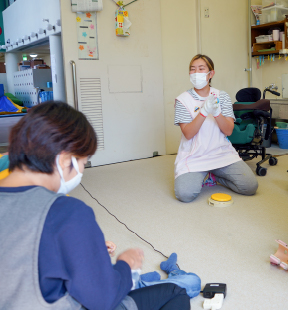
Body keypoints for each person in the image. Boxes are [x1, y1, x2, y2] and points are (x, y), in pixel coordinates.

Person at [0, 101, 190, 310]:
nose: (82, 170)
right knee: (176, 291)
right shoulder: (67, 212)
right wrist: (126, 265)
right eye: (83, 162)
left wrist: (88, 247)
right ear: (65, 160)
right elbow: (102, 299)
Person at [174, 54, 258, 202]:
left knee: (250, 186)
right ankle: (204, 175)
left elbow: (228, 131)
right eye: (192, 69)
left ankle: (215, 176)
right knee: (185, 194)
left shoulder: (222, 96)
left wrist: (217, 113)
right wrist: (203, 112)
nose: (196, 73)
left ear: (210, 73)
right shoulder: (183, 100)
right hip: (195, 157)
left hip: (221, 153)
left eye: (201, 69)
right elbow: (188, 134)